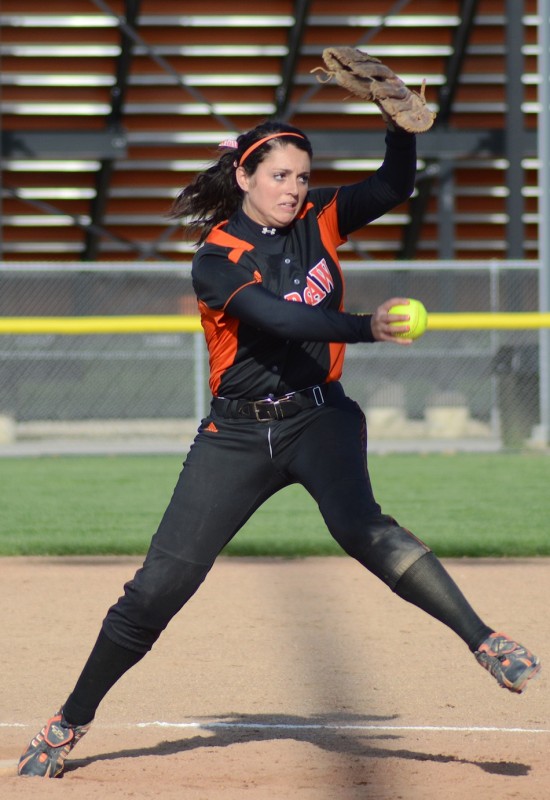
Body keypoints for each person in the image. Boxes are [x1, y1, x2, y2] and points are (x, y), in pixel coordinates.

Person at [18, 118, 540, 779]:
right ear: (243, 176)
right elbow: (280, 318)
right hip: (236, 434)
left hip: (319, 418)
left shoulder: (320, 217)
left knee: (364, 529)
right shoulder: (216, 257)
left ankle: (485, 641)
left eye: (301, 176)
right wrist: (366, 326)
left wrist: (400, 128)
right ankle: (69, 720)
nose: (293, 189)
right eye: (278, 176)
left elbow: (394, 186)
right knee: (157, 590)